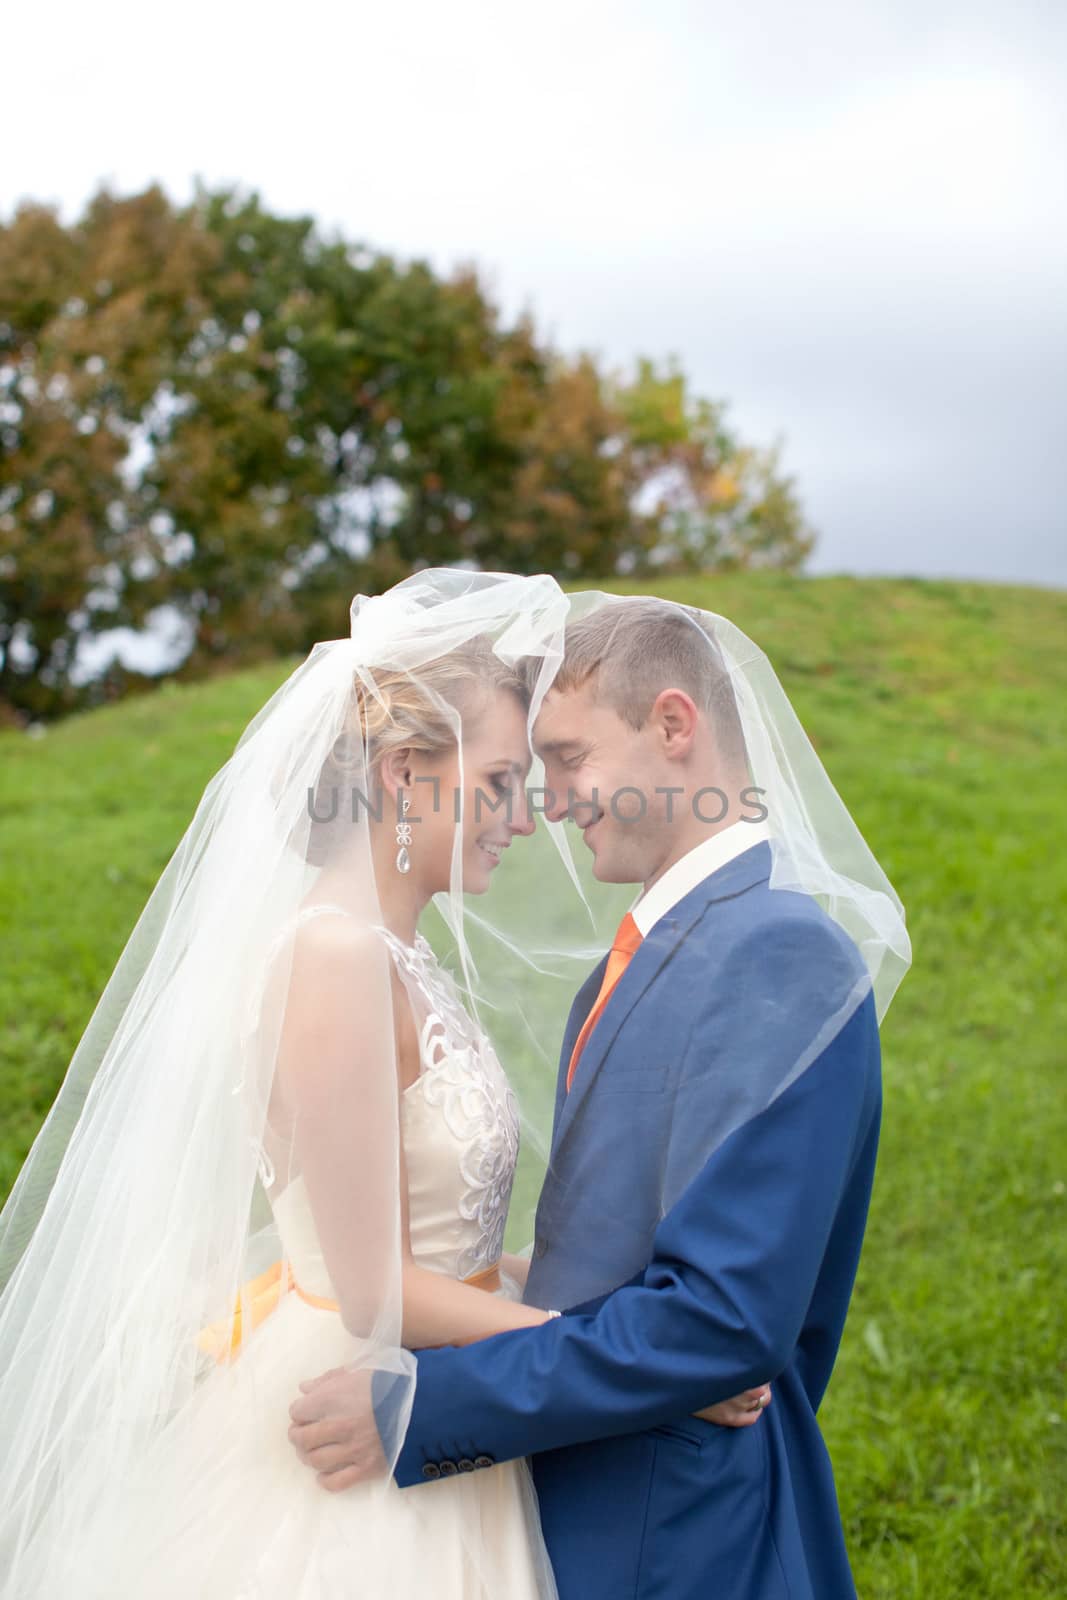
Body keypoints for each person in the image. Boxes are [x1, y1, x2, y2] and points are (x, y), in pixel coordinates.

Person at [0, 570, 766, 1600]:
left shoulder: (393, 953)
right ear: (406, 774)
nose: (523, 817)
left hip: (437, 1384)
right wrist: (644, 1362)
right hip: (356, 1409)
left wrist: (590, 1277)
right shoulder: (334, 959)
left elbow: (439, 1236)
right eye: (498, 781)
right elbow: (375, 1289)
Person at [288, 592, 912, 1600]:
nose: (549, 803)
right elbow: (613, 1252)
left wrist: (420, 1407)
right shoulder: (638, 959)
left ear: (672, 726)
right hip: (574, 1509)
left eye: (569, 760)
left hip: (676, 1539)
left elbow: (719, 1326)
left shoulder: (777, 953)